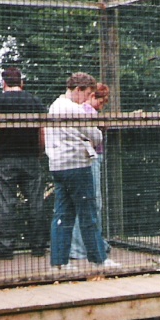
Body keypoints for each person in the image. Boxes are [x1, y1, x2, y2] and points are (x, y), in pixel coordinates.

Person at [46, 72, 119, 270]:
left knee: (62, 214)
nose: (87, 99)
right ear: (78, 89)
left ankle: (59, 262)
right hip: (77, 166)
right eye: (87, 94)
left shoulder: (54, 106)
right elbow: (95, 135)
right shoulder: (74, 108)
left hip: (58, 167)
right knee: (88, 214)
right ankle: (99, 259)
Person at [0, 67, 48, 259]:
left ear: (3, 83)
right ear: (21, 83)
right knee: (35, 201)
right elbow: (42, 131)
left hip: (5, 158)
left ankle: (5, 247)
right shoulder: (34, 101)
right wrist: (39, 152)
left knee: (6, 202)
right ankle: (38, 246)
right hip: (30, 157)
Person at [70, 82, 111, 260]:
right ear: (93, 96)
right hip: (91, 158)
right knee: (93, 202)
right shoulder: (88, 111)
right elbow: (92, 136)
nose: (101, 107)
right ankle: (83, 247)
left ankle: (93, 244)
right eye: (100, 102)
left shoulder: (80, 110)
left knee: (87, 202)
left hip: (82, 159)